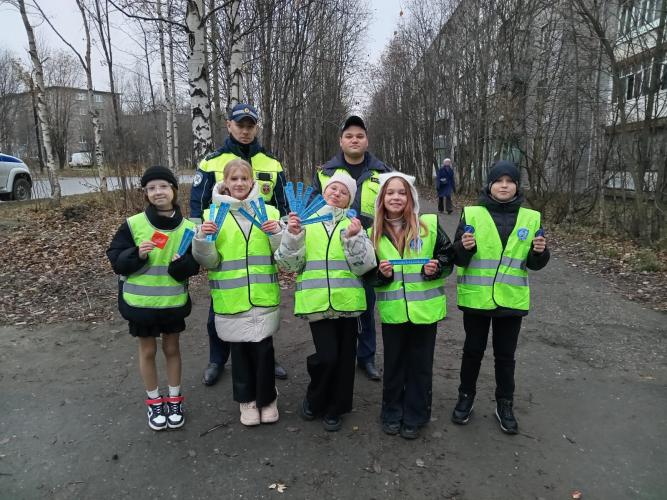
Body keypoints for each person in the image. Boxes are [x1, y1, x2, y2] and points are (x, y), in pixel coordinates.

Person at [190, 103, 288, 385]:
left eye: (250, 126)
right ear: (229, 125)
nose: (245, 131)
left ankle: (268, 357)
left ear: (256, 127)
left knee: (263, 303)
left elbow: (281, 204)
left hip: (259, 242)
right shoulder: (212, 162)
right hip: (226, 243)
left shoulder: (271, 163)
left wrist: (281, 234)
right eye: (240, 125)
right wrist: (200, 240)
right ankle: (217, 359)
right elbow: (198, 206)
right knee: (221, 304)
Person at [450, 160, 549, 435]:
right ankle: (465, 397)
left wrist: (540, 252)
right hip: (477, 300)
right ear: (489, 185)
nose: (504, 185)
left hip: (511, 301)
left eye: (510, 181)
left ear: (517, 186)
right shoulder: (471, 214)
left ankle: (504, 403)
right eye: (498, 180)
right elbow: (458, 258)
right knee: (472, 352)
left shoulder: (531, 218)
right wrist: (464, 248)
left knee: (506, 357)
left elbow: (535, 262)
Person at [275, 173, 376, 432]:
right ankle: (315, 396)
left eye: (344, 192)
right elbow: (288, 264)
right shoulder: (305, 222)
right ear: (324, 191)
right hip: (317, 303)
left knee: (345, 359)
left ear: (349, 199)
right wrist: (293, 237)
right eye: (333, 188)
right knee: (328, 357)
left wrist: (354, 239)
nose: (337, 193)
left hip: (348, 303)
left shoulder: (355, 226)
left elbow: (365, 267)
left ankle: (336, 408)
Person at [106, 166, 199, 431]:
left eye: (163, 186)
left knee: (172, 349)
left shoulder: (189, 228)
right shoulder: (134, 224)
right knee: (147, 351)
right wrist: (137, 254)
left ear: (173, 190)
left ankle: (174, 399)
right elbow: (115, 258)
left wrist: (181, 264)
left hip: (172, 304)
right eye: (151, 188)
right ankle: (154, 401)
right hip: (141, 306)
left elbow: (195, 265)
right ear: (145, 193)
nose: (158, 192)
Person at [193, 159, 283, 426]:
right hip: (231, 298)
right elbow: (208, 262)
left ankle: (268, 398)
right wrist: (203, 240)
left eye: (245, 178)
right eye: (234, 179)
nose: (240, 184)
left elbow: (281, 254)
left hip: (262, 295)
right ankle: (247, 401)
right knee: (240, 352)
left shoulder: (269, 212)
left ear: (253, 181)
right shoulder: (212, 216)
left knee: (264, 350)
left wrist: (277, 234)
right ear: (225, 183)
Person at [369, 172, 454, 440]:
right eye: (390, 192)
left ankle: (416, 415)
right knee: (394, 365)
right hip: (393, 313)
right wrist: (380, 275)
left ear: (411, 198)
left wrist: (436, 268)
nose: (396, 197)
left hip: (424, 312)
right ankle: (391, 412)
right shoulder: (373, 233)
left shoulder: (428, 225)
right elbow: (366, 274)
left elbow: (447, 255)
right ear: (382, 198)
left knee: (420, 365)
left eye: (402, 193)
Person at [311, 115, 392, 381]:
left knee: (367, 305)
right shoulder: (325, 173)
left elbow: (393, 207)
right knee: (336, 303)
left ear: (367, 140)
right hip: (331, 248)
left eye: (359, 135)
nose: (354, 140)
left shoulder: (382, 172)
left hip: (370, 247)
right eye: (349, 136)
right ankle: (335, 354)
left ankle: (366, 358)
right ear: (341, 141)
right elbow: (312, 209)